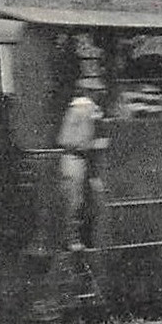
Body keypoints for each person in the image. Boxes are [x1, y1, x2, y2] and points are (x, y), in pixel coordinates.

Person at [57, 78, 107, 250]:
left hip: (79, 159)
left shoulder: (84, 108)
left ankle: (77, 239)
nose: (100, 94)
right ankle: (72, 240)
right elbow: (76, 140)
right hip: (75, 159)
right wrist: (98, 143)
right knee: (74, 201)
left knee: (80, 201)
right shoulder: (82, 109)